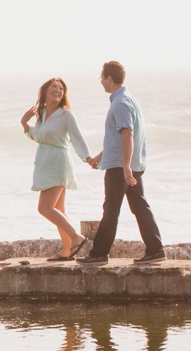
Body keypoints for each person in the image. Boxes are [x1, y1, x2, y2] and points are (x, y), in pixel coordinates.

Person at [76, 61, 165, 266]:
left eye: (101, 77)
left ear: (109, 78)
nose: (100, 82)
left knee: (111, 209)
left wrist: (125, 168)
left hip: (121, 167)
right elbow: (118, 138)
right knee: (140, 207)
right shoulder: (128, 99)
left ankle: (99, 254)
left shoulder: (120, 103)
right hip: (128, 164)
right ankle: (156, 250)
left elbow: (127, 134)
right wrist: (100, 156)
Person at [20, 77, 91, 261]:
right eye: (54, 87)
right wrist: (24, 124)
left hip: (59, 163)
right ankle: (67, 251)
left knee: (44, 208)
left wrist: (88, 158)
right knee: (58, 209)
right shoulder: (41, 113)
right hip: (45, 162)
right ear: (45, 91)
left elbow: (77, 137)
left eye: (61, 89)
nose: (58, 91)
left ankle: (76, 236)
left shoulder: (66, 115)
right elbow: (40, 138)